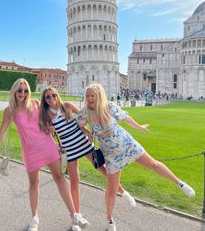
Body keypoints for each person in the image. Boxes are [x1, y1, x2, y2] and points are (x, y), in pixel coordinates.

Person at [77, 83, 195, 231]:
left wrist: (139, 127)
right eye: (87, 96)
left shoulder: (109, 106)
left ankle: (179, 183)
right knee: (111, 189)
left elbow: (126, 117)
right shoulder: (85, 112)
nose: (89, 98)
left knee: (153, 164)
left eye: (92, 95)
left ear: (99, 95)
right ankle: (109, 220)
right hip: (111, 153)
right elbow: (78, 124)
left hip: (126, 143)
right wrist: (87, 132)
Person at [0, 78, 85, 231]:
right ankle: (35, 218)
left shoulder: (35, 103)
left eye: (25, 90)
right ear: (14, 91)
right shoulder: (9, 111)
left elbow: (51, 117)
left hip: (47, 146)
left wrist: (51, 127)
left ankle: (74, 216)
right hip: (30, 151)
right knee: (34, 184)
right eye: (20, 90)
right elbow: (0, 134)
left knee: (60, 178)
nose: (23, 93)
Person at [38, 87, 136, 227]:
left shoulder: (67, 106)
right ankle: (77, 218)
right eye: (48, 97)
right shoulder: (46, 114)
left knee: (104, 170)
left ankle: (123, 192)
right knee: (74, 181)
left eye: (53, 95)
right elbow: (46, 133)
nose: (51, 98)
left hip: (83, 142)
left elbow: (87, 116)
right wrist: (53, 140)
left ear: (57, 95)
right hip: (69, 148)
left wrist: (89, 131)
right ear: (45, 100)